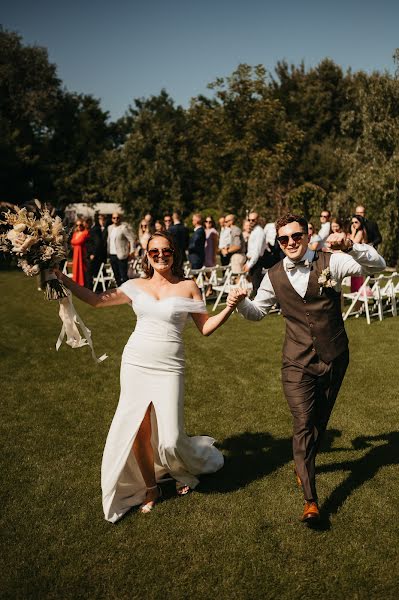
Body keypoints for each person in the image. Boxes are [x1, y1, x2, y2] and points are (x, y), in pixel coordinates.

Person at [55, 231, 242, 522]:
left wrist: (229, 307)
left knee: (171, 437)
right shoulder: (134, 285)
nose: (160, 256)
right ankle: (151, 488)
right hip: (136, 362)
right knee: (137, 429)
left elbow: (204, 328)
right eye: (154, 252)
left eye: (166, 251)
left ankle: (183, 467)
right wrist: (61, 277)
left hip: (170, 367)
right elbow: (95, 300)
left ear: (174, 253)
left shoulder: (189, 287)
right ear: (147, 255)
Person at [229, 213, 385, 523]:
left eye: (296, 236)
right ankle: (311, 501)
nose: (290, 243)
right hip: (296, 362)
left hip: (334, 356)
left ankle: (303, 463)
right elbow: (258, 312)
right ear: (278, 241)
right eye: (284, 239)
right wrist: (240, 302)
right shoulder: (273, 274)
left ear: (307, 233)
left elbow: (376, 266)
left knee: (318, 422)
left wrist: (351, 245)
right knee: (303, 421)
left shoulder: (332, 261)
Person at [107, 213, 135, 286]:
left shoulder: (123, 228)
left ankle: (127, 292)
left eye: (117, 218)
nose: (116, 219)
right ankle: (119, 291)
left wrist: (132, 251)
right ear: (112, 219)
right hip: (112, 254)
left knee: (123, 276)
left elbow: (131, 239)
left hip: (121, 254)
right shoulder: (110, 228)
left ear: (120, 218)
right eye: (114, 218)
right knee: (116, 275)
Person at [243, 212, 267, 294]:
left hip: (257, 262)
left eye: (253, 220)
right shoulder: (254, 231)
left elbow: (256, 251)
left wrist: (250, 265)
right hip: (252, 261)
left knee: (257, 286)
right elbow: (251, 250)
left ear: (257, 220)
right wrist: (248, 262)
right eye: (249, 220)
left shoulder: (259, 232)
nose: (250, 222)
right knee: (255, 285)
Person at [86, 214, 108, 289]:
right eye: (100, 219)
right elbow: (92, 243)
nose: (102, 221)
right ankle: (90, 287)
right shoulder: (95, 229)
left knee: (100, 271)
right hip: (94, 255)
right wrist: (92, 253)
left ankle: (98, 287)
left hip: (101, 255)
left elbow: (101, 243)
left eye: (103, 219)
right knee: (91, 271)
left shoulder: (106, 229)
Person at [349, 214, 368, 293]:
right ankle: (359, 304)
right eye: (352, 222)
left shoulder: (360, 232)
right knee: (356, 283)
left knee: (357, 285)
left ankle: (358, 303)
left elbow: (351, 243)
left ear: (360, 222)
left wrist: (352, 233)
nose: (354, 224)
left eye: (356, 222)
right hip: (358, 260)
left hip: (358, 261)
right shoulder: (361, 231)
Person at [71, 219, 89, 286]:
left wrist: (74, 242)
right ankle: (75, 281)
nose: (79, 226)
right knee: (75, 267)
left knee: (81, 267)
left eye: (80, 225)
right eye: (77, 225)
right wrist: (74, 242)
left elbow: (79, 241)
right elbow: (72, 242)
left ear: (83, 225)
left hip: (82, 253)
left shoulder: (85, 232)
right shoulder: (75, 233)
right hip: (76, 253)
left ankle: (82, 283)